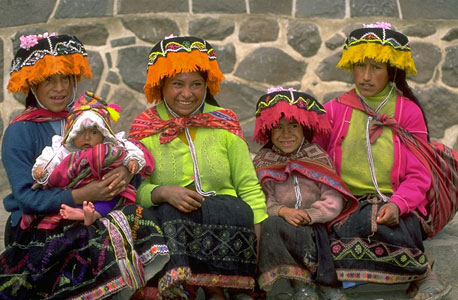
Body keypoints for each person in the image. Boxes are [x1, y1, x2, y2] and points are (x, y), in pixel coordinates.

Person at [0, 33, 169, 299]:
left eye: (66, 78)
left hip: (93, 209)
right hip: (38, 223)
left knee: (137, 217)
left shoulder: (88, 119)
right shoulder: (20, 132)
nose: (60, 88)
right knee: (89, 238)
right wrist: (84, 195)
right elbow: (26, 198)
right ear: (32, 84)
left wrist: (124, 171)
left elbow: (120, 151)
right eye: (48, 80)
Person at [315, 22, 451, 300]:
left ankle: (423, 273)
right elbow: (317, 165)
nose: (365, 76)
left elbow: (420, 174)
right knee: (343, 229)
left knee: (397, 229)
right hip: (345, 201)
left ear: (392, 70)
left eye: (376, 67)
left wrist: (399, 204)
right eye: (360, 66)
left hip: (396, 200)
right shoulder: (333, 110)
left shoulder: (407, 112)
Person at [129, 35, 268, 299]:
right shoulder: (144, 129)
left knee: (235, 208)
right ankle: (181, 288)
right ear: (161, 85)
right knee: (167, 212)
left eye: (196, 84)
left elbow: (248, 185)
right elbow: (133, 191)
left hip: (227, 230)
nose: (187, 93)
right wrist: (162, 192)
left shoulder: (224, 122)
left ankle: (225, 288)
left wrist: (255, 249)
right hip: (173, 233)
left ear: (207, 85)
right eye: (177, 84)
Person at [252, 88, 358, 300]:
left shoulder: (317, 156)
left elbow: (333, 198)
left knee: (333, 231)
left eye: (293, 126)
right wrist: (283, 211)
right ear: (269, 131)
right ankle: (301, 284)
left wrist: (311, 214)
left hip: (319, 224)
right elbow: (264, 200)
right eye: (278, 128)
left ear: (305, 128)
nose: (286, 134)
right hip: (285, 224)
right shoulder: (263, 161)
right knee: (273, 226)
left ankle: (328, 285)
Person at [30, 91, 153, 226]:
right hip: (76, 190)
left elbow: (130, 148)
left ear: (103, 133)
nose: (87, 138)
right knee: (64, 200)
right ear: (72, 133)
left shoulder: (111, 146)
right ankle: (77, 212)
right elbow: (49, 158)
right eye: (81, 132)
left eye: (94, 132)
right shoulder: (63, 149)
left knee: (114, 195)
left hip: (105, 189)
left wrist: (132, 160)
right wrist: (42, 169)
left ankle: (91, 215)